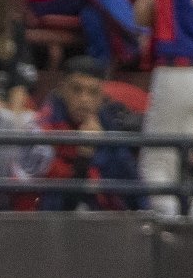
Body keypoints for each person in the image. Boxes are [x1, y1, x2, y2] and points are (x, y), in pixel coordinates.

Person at [24, 53, 142, 212]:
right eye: (76, 90)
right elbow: (56, 208)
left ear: (101, 96)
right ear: (62, 90)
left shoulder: (108, 124)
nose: (84, 99)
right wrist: (83, 158)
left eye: (93, 92)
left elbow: (133, 192)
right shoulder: (43, 130)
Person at [139, 0, 193, 213]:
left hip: (176, 73)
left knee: (154, 167)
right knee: (179, 167)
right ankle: (191, 225)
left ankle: (171, 236)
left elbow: (140, 15)